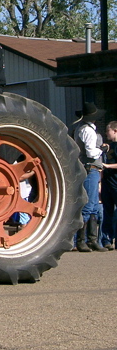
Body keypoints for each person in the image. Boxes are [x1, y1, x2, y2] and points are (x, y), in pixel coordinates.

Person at [73, 102, 108, 252]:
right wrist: (102, 149)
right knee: (88, 206)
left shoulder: (82, 128)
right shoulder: (88, 131)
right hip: (90, 168)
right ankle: (81, 240)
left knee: (92, 206)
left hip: (91, 169)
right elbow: (91, 153)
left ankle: (91, 240)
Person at [101, 120, 117, 250]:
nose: (106, 133)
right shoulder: (109, 146)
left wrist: (108, 166)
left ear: (115, 131)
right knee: (108, 211)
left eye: (108, 131)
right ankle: (106, 239)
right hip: (107, 182)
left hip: (116, 182)